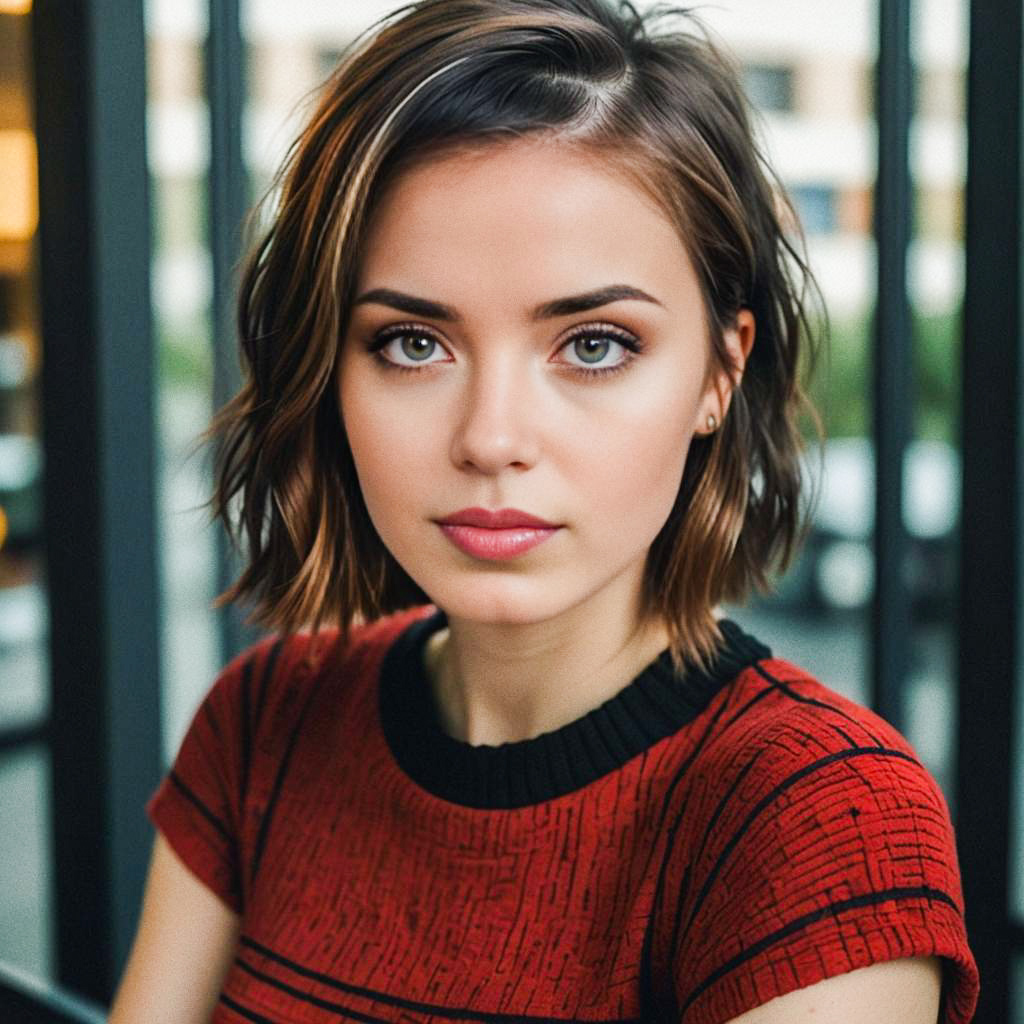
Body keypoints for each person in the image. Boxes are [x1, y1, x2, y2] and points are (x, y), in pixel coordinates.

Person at [108, 1, 980, 1021]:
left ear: (720, 373)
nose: (490, 436)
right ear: (327, 369)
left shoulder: (817, 817)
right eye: (412, 342)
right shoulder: (270, 719)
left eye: (595, 344)